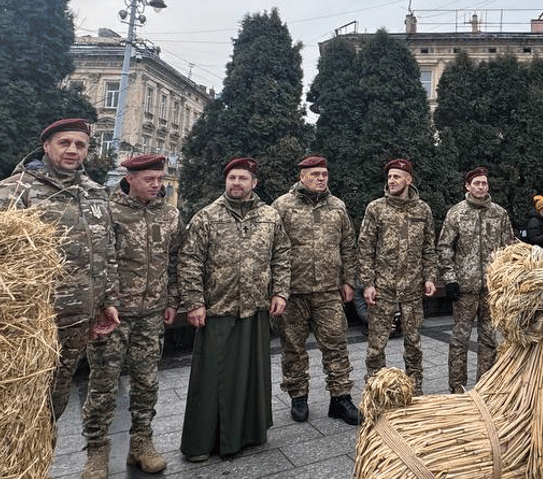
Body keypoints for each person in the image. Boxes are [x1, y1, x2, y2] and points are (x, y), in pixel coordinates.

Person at [0, 118, 119, 427]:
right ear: (46, 146)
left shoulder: (94, 192)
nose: (73, 150)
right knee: (19, 406)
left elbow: (106, 251)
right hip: (32, 322)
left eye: (80, 145)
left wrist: (107, 300)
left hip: (79, 321)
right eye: (64, 143)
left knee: (55, 403)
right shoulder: (16, 189)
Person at [177, 157, 289, 462]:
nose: (236, 183)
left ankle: (250, 434)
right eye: (231, 178)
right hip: (219, 308)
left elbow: (281, 254)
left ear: (254, 184)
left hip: (255, 307)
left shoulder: (269, 216)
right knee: (213, 377)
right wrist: (194, 302)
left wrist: (280, 291)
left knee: (251, 375)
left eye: (242, 178)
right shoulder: (206, 217)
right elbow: (189, 261)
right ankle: (202, 443)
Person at [80, 154, 182, 477]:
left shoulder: (170, 214)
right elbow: (95, 261)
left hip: (152, 313)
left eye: (159, 179)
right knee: (102, 385)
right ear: (131, 179)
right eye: (149, 180)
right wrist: (99, 305)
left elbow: (177, 258)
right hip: (114, 314)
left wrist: (172, 298)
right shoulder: (108, 212)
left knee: (147, 382)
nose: (157, 185)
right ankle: (96, 450)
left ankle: (141, 443)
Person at [271, 156, 361, 425]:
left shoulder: (337, 206)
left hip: (328, 291)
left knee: (336, 344)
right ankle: (298, 397)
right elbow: (273, 248)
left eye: (324, 173)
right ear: (302, 177)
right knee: (293, 347)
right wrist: (277, 289)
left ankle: (340, 398)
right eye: (315, 174)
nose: (321, 178)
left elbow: (348, 245)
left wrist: (348, 281)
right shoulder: (282, 206)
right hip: (293, 291)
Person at [356, 158, 437, 392]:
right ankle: (375, 391)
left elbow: (428, 248)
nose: (392, 181)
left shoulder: (422, 209)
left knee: (414, 343)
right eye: (390, 177)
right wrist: (368, 284)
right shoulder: (376, 208)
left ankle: (415, 389)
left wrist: (430, 276)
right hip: (383, 288)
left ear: (408, 180)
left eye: (397, 177)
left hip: (412, 288)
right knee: (376, 346)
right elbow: (365, 248)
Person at [437, 166, 516, 393]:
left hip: (492, 288)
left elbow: (510, 248)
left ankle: (485, 387)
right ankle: (457, 389)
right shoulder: (457, 213)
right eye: (476, 183)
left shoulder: (499, 214)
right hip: (464, 288)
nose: (481, 187)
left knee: (490, 339)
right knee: (459, 340)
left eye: (484, 183)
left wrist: (506, 280)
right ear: (468, 186)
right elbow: (444, 248)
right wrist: (450, 278)